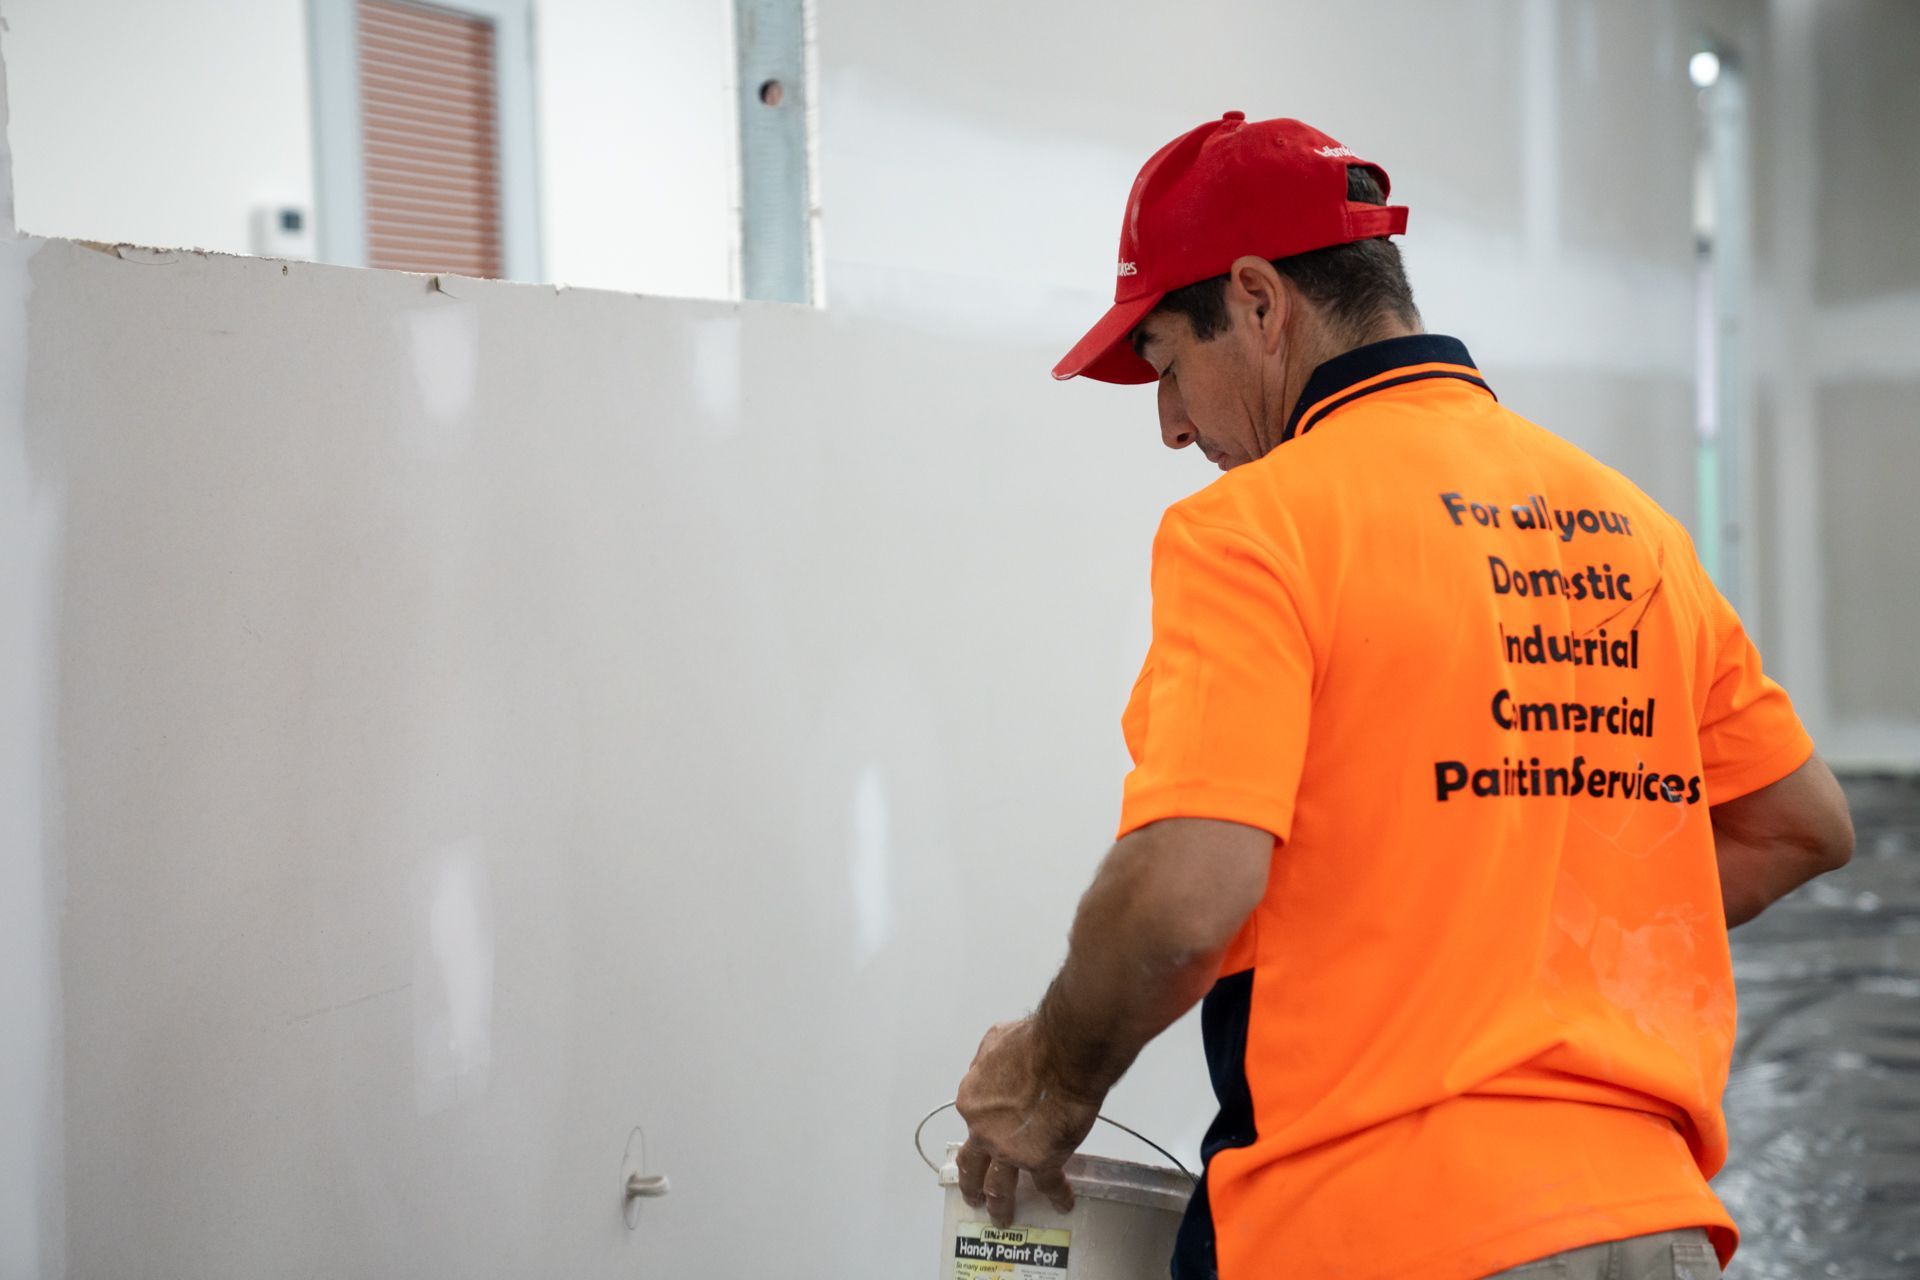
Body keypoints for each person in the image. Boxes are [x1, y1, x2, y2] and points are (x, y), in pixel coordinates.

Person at [951, 112, 1855, 1280]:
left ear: (1261, 301)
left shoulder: (1258, 529)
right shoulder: (1630, 525)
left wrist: (1049, 1075)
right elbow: (1800, 824)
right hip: (1650, 1226)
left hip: (1382, 1233)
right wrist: (1507, 929)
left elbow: (1185, 896)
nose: (1172, 425)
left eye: (1171, 362)